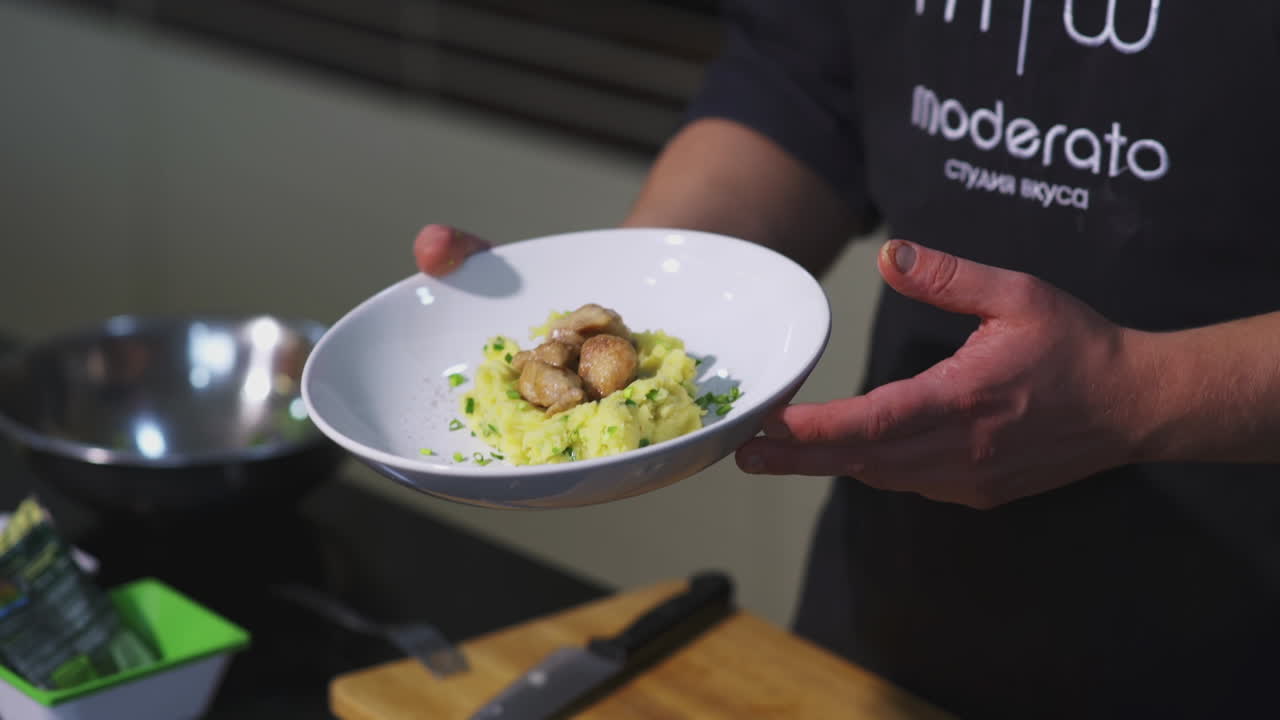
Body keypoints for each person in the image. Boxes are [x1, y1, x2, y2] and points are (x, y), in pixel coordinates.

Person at [414, 2, 1280, 717]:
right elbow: (800, 85)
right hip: (895, 610)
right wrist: (648, 296)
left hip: (1232, 636)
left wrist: (1138, 397)